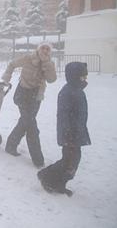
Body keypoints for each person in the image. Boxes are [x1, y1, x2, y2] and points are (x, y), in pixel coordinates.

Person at [37, 62, 90, 196]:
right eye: (82, 78)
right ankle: (47, 176)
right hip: (70, 134)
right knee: (70, 160)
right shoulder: (68, 93)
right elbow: (64, 116)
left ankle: (59, 183)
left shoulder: (76, 91)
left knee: (72, 160)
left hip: (76, 132)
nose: (85, 80)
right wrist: (68, 134)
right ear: (74, 77)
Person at [2, 42, 57, 168]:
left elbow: (51, 79)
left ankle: (11, 145)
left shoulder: (50, 63)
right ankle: (38, 160)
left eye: (47, 49)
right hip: (22, 94)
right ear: (38, 49)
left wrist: (47, 65)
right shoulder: (28, 58)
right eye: (43, 47)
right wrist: (7, 77)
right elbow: (12, 64)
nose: (44, 50)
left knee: (25, 122)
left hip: (35, 97)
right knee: (31, 125)